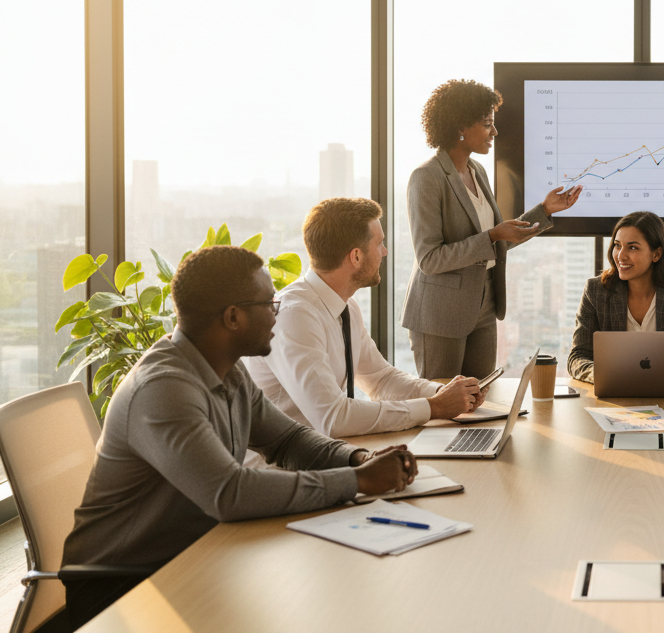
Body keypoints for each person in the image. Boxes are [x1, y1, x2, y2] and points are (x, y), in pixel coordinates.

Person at [61, 246, 416, 629]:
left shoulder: (227, 371)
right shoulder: (164, 390)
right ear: (233, 317)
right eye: (269, 304)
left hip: (199, 553)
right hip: (127, 585)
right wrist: (359, 481)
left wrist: (357, 459)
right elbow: (230, 494)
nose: (277, 315)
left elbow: (288, 441)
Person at [246, 197, 482, 438]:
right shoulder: (294, 316)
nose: (385, 251)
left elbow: (380, 381)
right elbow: (334, 419)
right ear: (356, 257)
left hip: (323, 457)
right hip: (285, 471)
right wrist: (435, 407)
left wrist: (446, 393)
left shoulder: (346, 307)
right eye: (379, 243)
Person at [401, 79, 582, 379]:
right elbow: (430, 259)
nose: (494, 132)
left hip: (484, 304)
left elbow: (496, 240)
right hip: (440, 314)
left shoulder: (478, 171)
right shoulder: (426, 177)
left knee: (481, 397)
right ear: (460, 127)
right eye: (487, 124)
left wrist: (546, 210)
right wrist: (493, 236)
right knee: (444, 405)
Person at [567, 211, 664, 381]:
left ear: (656, 254)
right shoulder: (595, 291)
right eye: (617, 245)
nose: (621, 255)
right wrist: (601, 374)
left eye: (632, 247)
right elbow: (577, 357)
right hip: (613, 397)